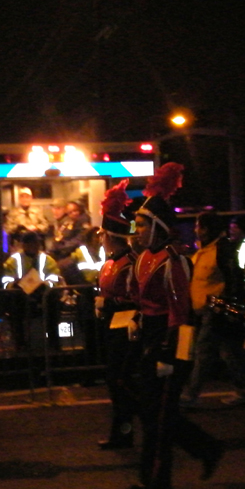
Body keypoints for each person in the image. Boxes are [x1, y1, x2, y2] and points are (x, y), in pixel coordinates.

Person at [127, 163, 224, 489]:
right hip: (153, 334)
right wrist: (137, 319)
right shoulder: (144, 257)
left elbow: (180, 312)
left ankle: (156, 479)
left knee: (158, 414)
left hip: (171, 339)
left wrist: (170, 353)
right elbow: (145, 301)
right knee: (153, 411)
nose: (137, 230)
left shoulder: (173, 259)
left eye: (141, 225)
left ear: (157, 227)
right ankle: (206, 448)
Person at [180, 210, 245, 407]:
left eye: (199, 226)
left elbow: (233, 279)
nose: (197, 230)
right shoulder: (203, 251)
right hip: (205, 311)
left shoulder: (222, 250)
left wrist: (226, 305)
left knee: (203, 352)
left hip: (215, 311)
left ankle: (191, 395)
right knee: (228, 351)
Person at [95, 180, 140, 449]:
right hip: (110, 329)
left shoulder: (130, 263)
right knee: (114, 383)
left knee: (123, 383)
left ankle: (124, 431)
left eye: (102, 235)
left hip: (126, 331)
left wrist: (107, 304)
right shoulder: (110, 263)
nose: (100, 239)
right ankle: (121, 431)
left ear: (110, 236)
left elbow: (133, 300)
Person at [2, 230, 62, 349]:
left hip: (43, 297)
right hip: (21, 297)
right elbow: (5, 281)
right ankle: (21, 344)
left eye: (35, 243)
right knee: (15, 311)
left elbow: (55, 279)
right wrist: (16, 285)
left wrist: (44, 285)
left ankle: (54, 344)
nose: (33, 246)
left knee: (53, 308)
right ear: (23, 245)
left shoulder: (47, 260)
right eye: (29, 244)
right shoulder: (13, 261)